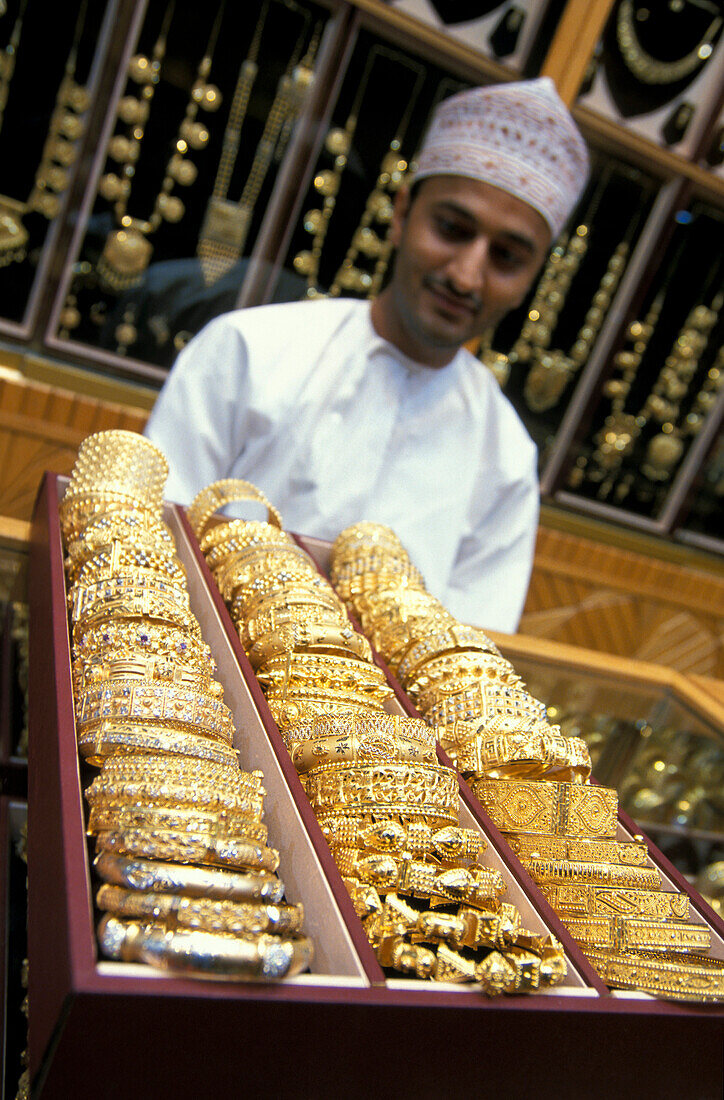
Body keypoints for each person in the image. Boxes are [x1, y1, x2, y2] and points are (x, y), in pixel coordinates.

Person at [146, 77, 589, 632]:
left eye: (506, 256)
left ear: (531, 280)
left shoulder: (505, 459)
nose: (466, 275)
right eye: (452, 229)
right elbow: (149, 549)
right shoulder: (248, 351)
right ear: (402, 214)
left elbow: (477, 647)